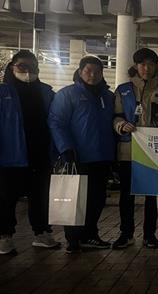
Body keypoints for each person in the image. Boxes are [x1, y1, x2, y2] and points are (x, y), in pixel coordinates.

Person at [48, 56, 115, 253]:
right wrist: (65, 148)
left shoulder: (108, 97)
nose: (92, 75)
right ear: (80, 71)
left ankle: (90, 235)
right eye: (88, 71)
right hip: (78, 157)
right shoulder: (67, 94)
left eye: (97, 71)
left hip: (102, 157)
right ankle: (73, 239)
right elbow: (56, 122)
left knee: (97, 199)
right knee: (76, 199)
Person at [112, 48, 158, 250]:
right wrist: (121, 125)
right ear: (136, 66)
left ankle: (150, 235)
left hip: (155, 152)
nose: (146, 68)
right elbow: (116, 116)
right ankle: (126, 233)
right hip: (128, 150)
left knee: (151, 195)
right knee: (126, 194)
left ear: (157, 66)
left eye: (150, 64)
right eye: (142, 64)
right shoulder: (123, 90)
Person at [0, 51, 57, 254]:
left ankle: (41, 233)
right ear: (12, 67)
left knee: (40, 196)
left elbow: (55, 122)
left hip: (40, 154)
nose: (27, 71)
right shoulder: (3, 92)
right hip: (10, 156)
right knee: (6, 198)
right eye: (22, 66)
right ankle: (4, 236)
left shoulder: (46, 92)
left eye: (32, 68)